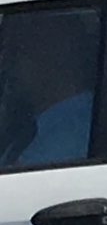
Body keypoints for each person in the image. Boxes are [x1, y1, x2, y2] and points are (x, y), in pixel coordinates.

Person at [0, 11, 99, 168]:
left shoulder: (72, 131)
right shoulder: (37, 124)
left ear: (51, 56)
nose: (6, 65)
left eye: (16, 52)